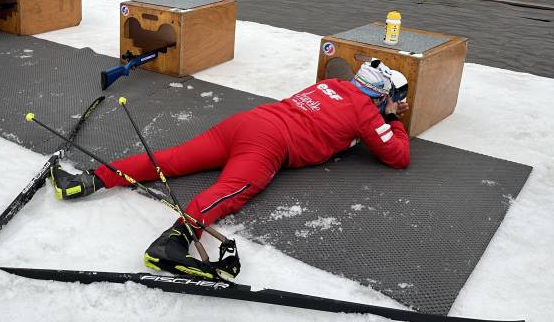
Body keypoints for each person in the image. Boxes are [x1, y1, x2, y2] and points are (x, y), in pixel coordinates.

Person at [51, 59, 411, 278]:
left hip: (247, 121)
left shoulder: (333, 84)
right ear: (381, 97)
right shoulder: (368, 111)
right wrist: (393, 121)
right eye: (395, 98)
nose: (398, 103)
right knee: (230, 191)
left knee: (172, 159)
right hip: (270, 143)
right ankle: (173, 243)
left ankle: (86, 180)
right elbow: (398, 156)